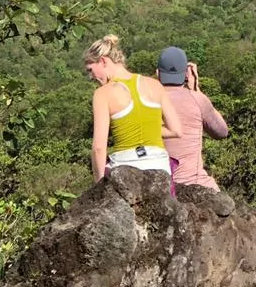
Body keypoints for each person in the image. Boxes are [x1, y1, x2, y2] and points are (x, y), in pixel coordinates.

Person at [85, 34, 182, 182]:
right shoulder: (155, 85)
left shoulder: (102, 94)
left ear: (103, 61)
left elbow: (98, 148)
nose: (91, 76)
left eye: (90, 70)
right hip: (160, 166)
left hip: (126, 167)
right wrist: (146, 126)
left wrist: (99, 183)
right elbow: (176, 130)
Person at [156, 45, 230, 190]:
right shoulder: (197, 99)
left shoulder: (147, 100)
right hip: (194, 184)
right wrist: (197, 89)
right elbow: (222, 132)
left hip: (159, 185)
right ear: (186, 74)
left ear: (157, 73)